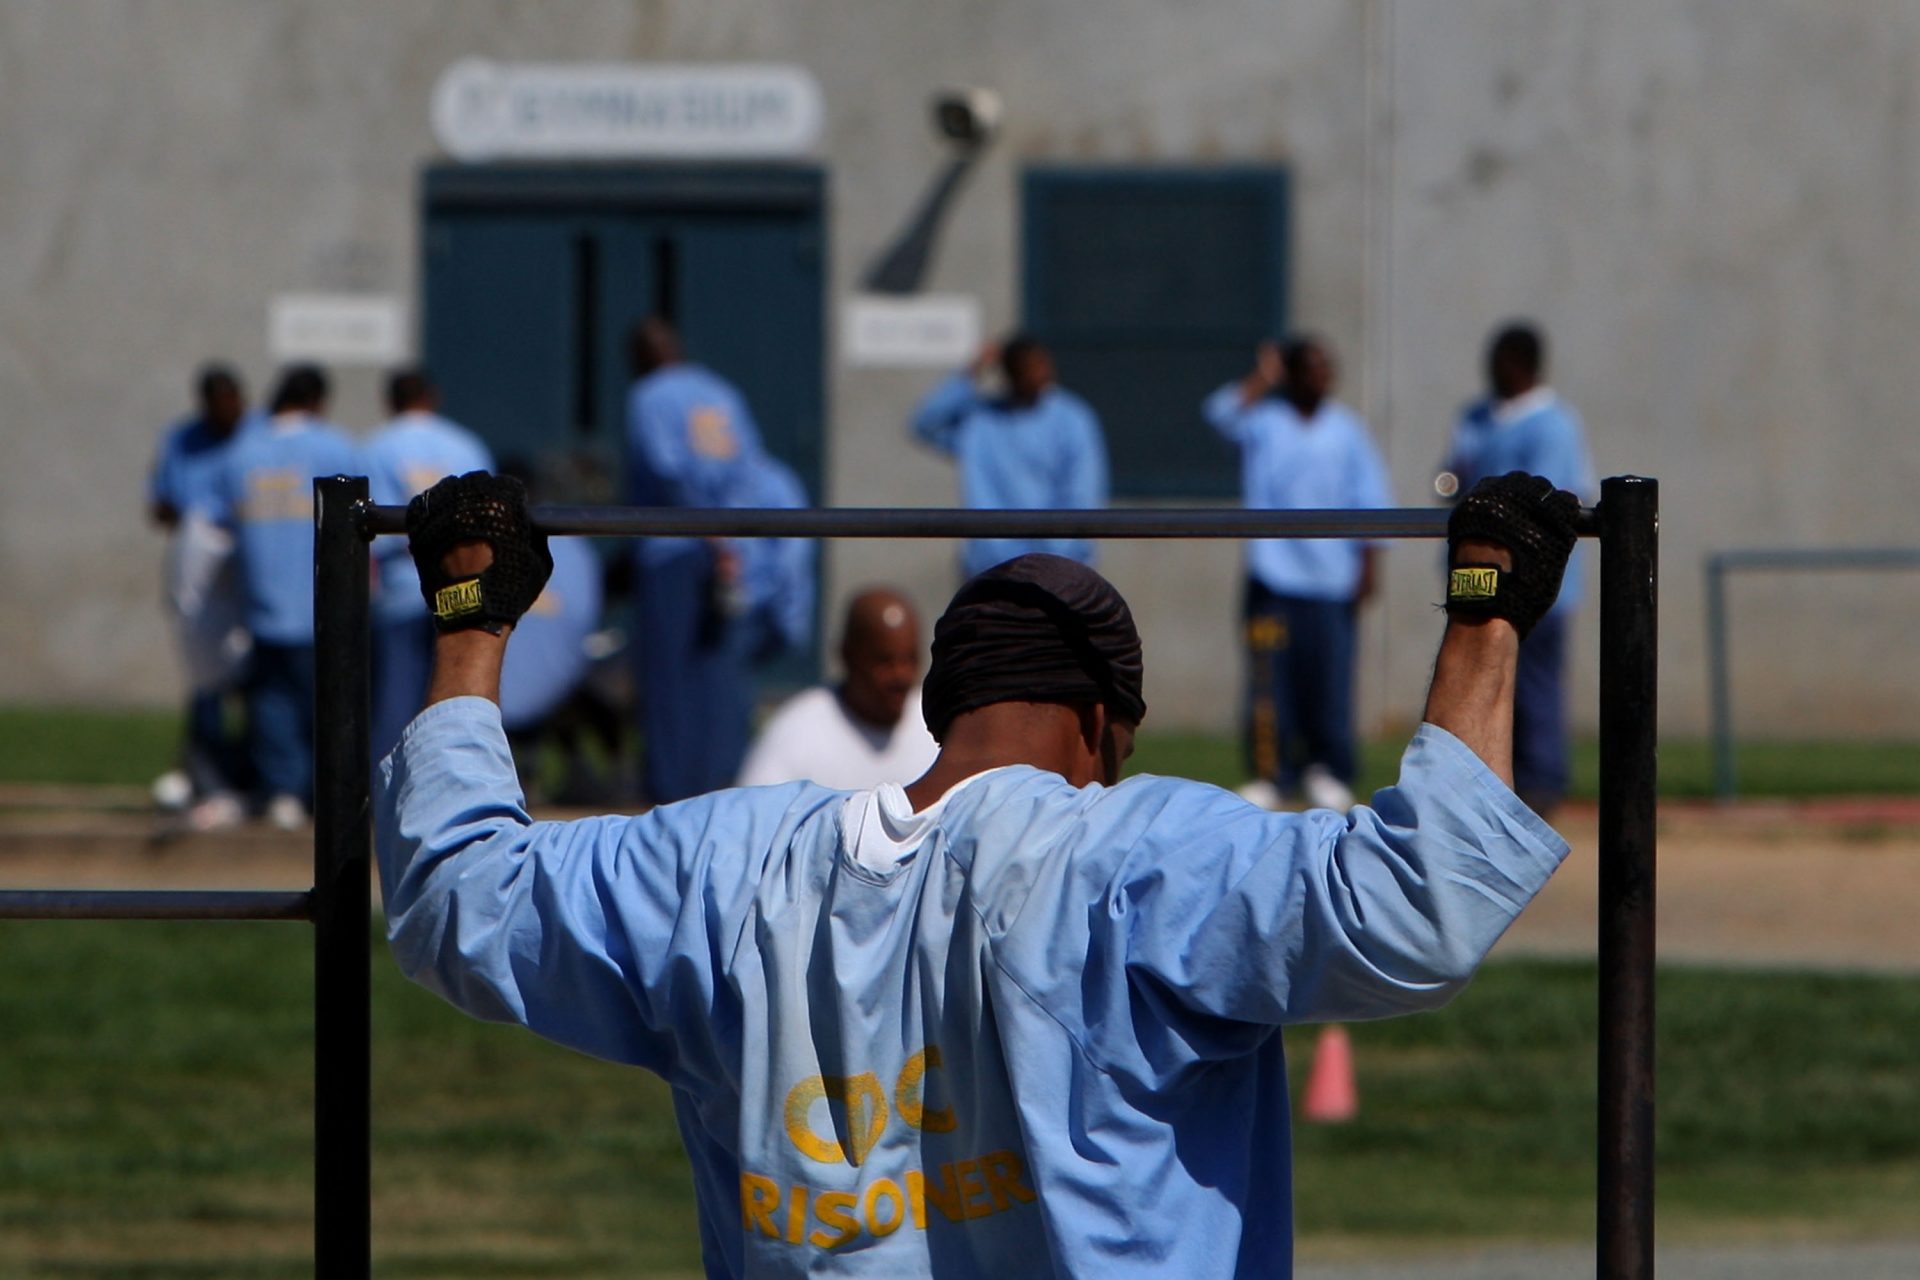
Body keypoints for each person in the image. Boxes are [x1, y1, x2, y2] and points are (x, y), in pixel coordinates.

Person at [375, 469, 1580, 1279]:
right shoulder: (1132, 855)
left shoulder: (720, 865)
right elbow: (1422, 898)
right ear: (1103, 723)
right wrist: (1488, 602)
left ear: (946, 705)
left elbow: (452, 893)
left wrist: (473, 618)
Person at [1203, 335, 1392, 812]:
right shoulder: (1264, 422)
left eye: (1326, 368)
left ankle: (1328, 769)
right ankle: (1271, 774)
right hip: (1273, 580)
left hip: (1331, 582)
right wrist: (1262, 378)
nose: (1320, 377)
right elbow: (1219, 414)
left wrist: (1369, 565)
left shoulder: (1347, 432)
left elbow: (1371, 500)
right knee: (1269, 686)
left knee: (1329, 686)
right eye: (1310, 368)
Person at [624, 316, 798, 803]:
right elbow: (749, 468)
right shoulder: (722, 392)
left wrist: (709, 531)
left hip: (675, 546)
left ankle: (671, 795)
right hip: (731, 547)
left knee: (669, 681)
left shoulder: (649, 396)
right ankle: (722, 787)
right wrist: (733, 539)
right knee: (719, 673)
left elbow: (667, 468)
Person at [1438, 322, 1597, 815]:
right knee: (1479, 674)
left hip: (1539, 585)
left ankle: (1542, 783)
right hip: (1483, 579)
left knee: (1534, 684)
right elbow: (1452, 474)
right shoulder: (1478, 416)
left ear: (1522, 364)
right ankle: (1483, 782)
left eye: (1502, 359)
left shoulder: (1554, 423)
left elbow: (1547, 495)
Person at [202, 364, 357, 829]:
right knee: (329, 707)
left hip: (263, 607)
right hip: (324, 604)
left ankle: (283, 794)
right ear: (317, 402)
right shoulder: (337, 447)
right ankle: (324, 795)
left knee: (272, 705)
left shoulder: (241, 454)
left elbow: (215, 531)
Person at [360, 368, 494, 763]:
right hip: (460, 587)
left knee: (396, 704)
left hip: (401, 589)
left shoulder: (376, 447)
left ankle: (390, 798)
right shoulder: (465, 444)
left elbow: (373, 536)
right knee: (458, 700)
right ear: (432, 397)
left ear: (390, 402)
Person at [146, 363, 254, 815]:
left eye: (232, 401)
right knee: (204, 673)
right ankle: (206, 775)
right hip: (198, 559)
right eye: (217, 403)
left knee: (254, 673)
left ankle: (250, 775)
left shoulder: (257, 439)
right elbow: (160, 507)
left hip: (248, 560)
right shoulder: (183, 439)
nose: (227, 410)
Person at [909, 336, 1109, 578]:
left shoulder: (1072, 420)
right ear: (1009, 375)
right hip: (989, 569)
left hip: (1058, 568)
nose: (1039, 375)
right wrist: (971, 371)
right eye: (1027, 368)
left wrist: (1056, 559)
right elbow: (925, 423)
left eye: (1041, 365)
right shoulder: (981, 421)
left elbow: (1081, 494)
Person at [737, 588, 940, 790]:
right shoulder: (797, 732)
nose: (900, 676)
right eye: (884, 662)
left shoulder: (941, 729)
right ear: (847, 656)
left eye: (910, 660)